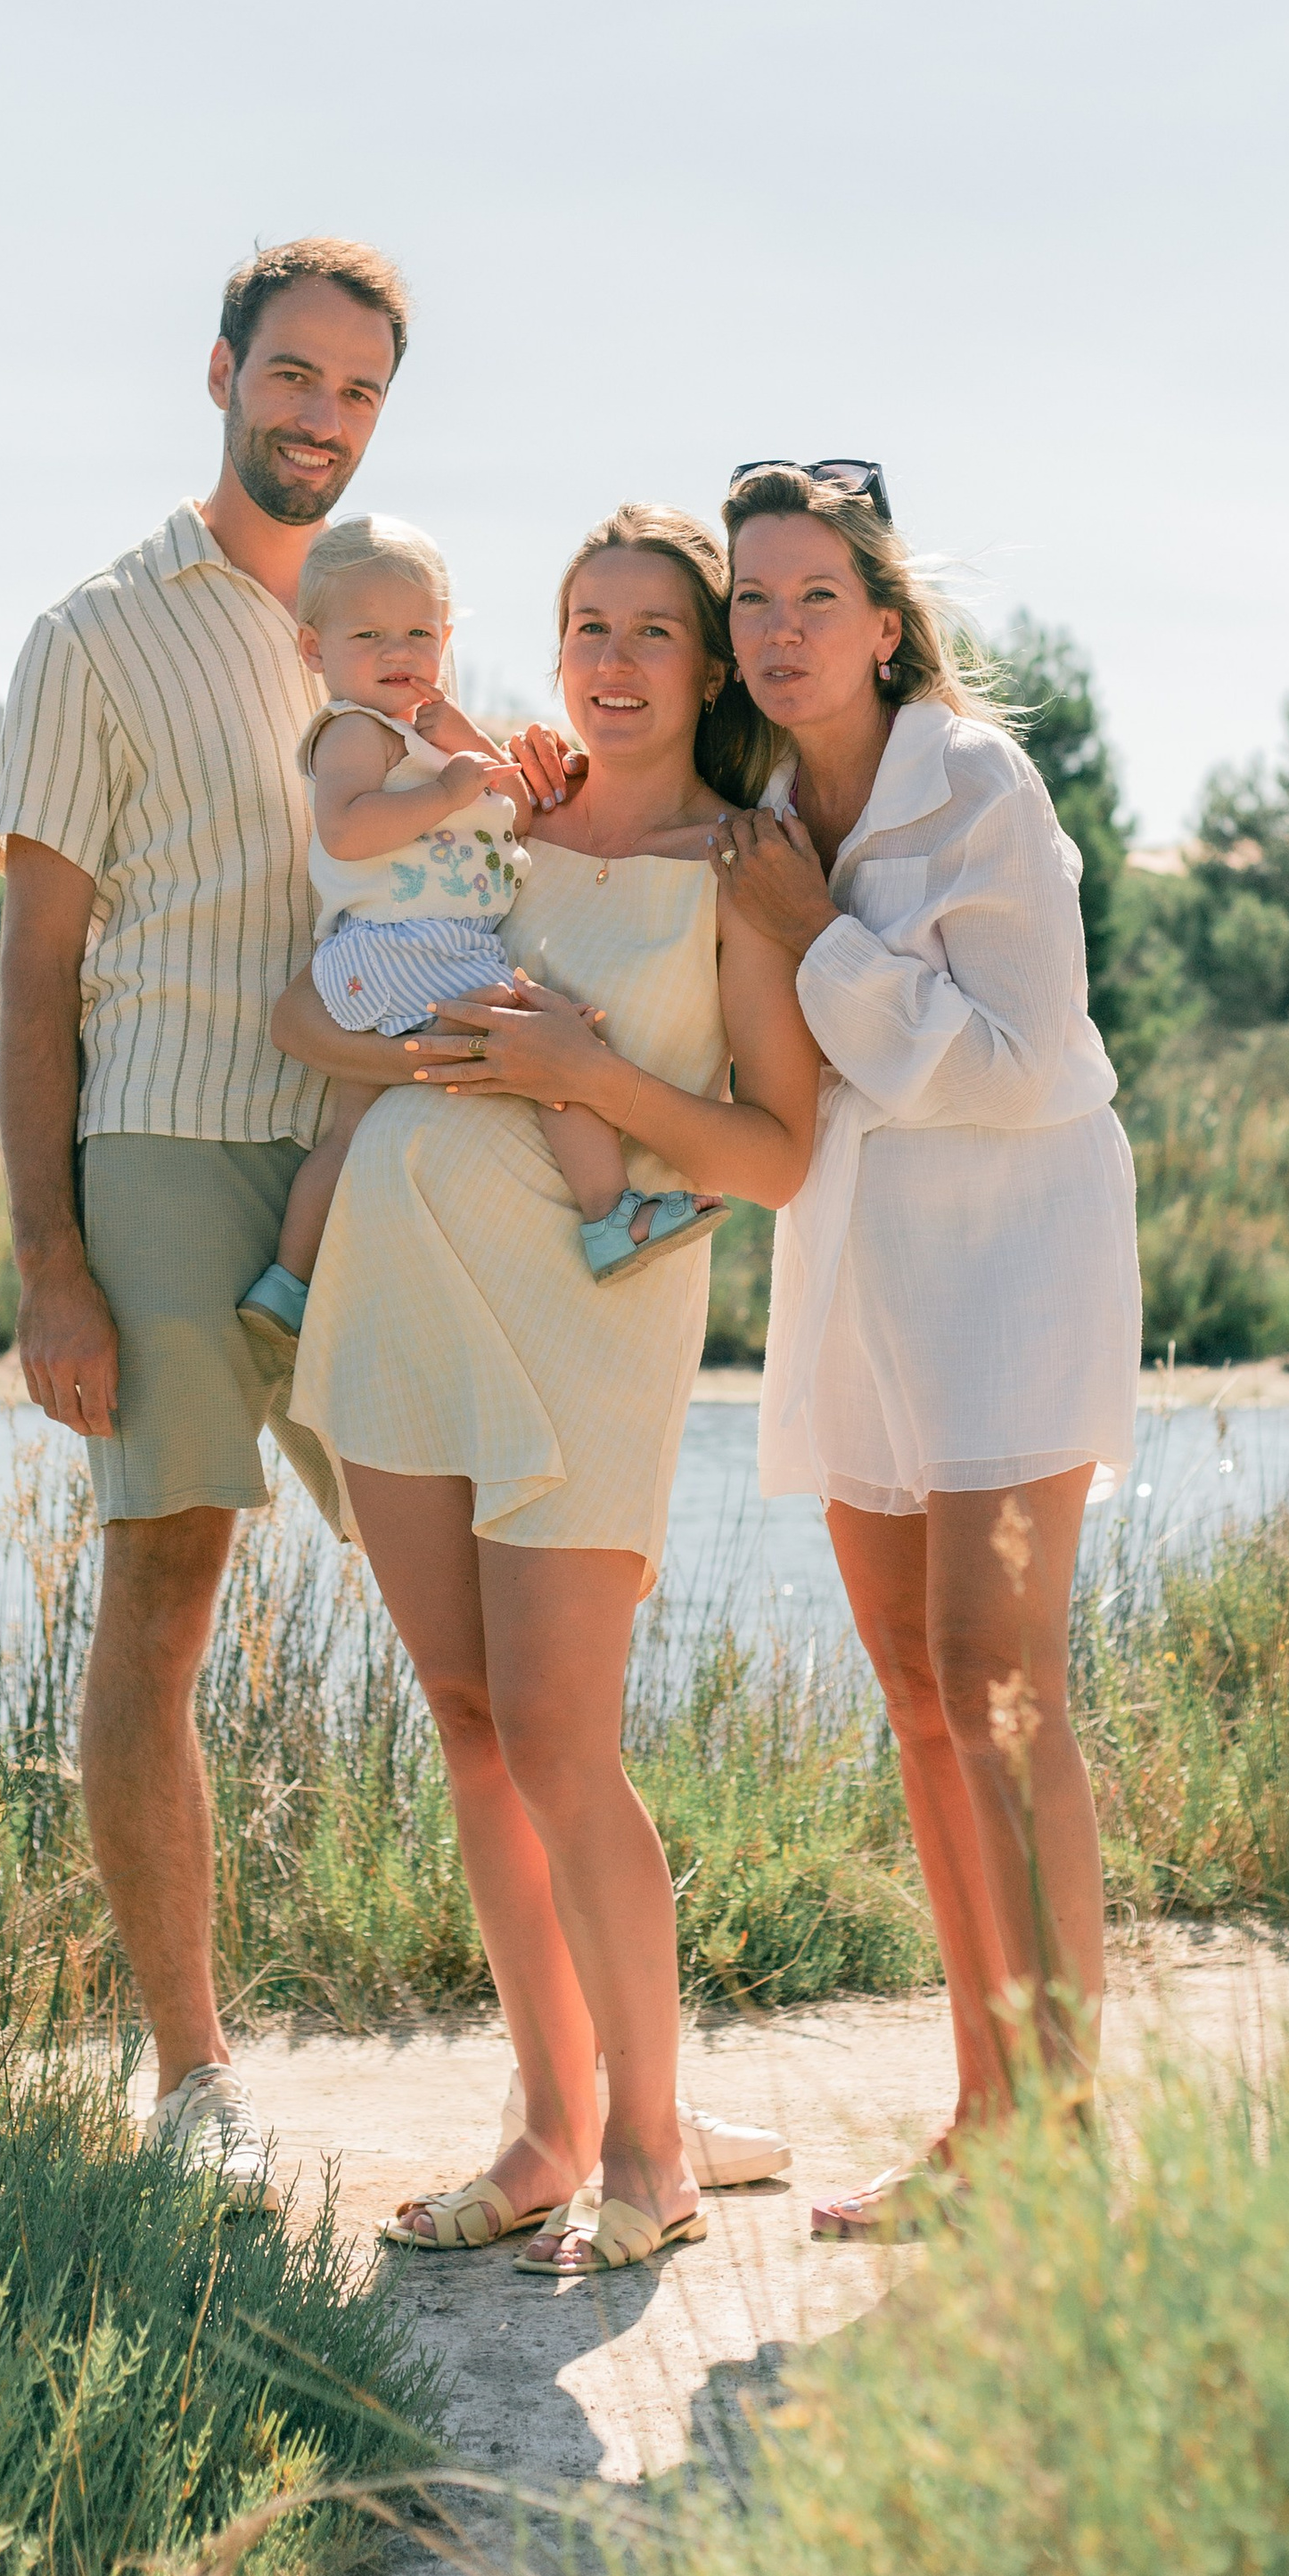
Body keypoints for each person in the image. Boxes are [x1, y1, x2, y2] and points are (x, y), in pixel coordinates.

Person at [0, 237, 578, 2206]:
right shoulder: (91, 636)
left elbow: (484, 855)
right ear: (221, 369)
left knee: (480, 1628)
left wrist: (541, 782)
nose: (319, 417)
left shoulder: (391, 630)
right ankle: (190, 2080)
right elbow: (36, 976)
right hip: (158, 1161)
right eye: (293, 376)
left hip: (366, 1162)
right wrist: (48, 1261)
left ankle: (580, 2083)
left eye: (357, 393)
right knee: (162, 1599)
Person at [273, 507, 819, 2277]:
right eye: (583, 623)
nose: (607, 656)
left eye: (650, 629)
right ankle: (543, 2126)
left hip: (590, 1320)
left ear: (706, 660)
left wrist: (582, 1068)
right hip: (398, 1302)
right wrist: (431, 1047)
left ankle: (649, 2156)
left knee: (565, 1744)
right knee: (465, 1714)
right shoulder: (501, 802)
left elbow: (776, 1156)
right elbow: (314, 1008)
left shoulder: (746, 861)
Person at [708, 459, 1139, 2242]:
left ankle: (1059, 2125)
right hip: (858, 1267)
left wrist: (820, 944)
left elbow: (1021, 1056)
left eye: (813, 596)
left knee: (995, 1677)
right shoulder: (756, 804)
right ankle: (984, 2120)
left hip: (1009, 1258)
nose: (776, 629)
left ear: (885, 625)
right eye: (748, 601)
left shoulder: (966, 776)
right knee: (906, 1682)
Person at [237, 513, 726, 1354]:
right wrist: (447, 787)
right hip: (408, 946)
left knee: (350, 1130)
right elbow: (346, 831)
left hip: (397, 955)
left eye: (419, 634)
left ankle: (288, 1281)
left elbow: (511, 798)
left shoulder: (422, 727)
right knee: (547, 1043)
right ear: (315, 651)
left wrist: (487, 755)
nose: (399, 654)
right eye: (370, 636)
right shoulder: (354, 730)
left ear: (447, 639)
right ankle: (611, 1215)